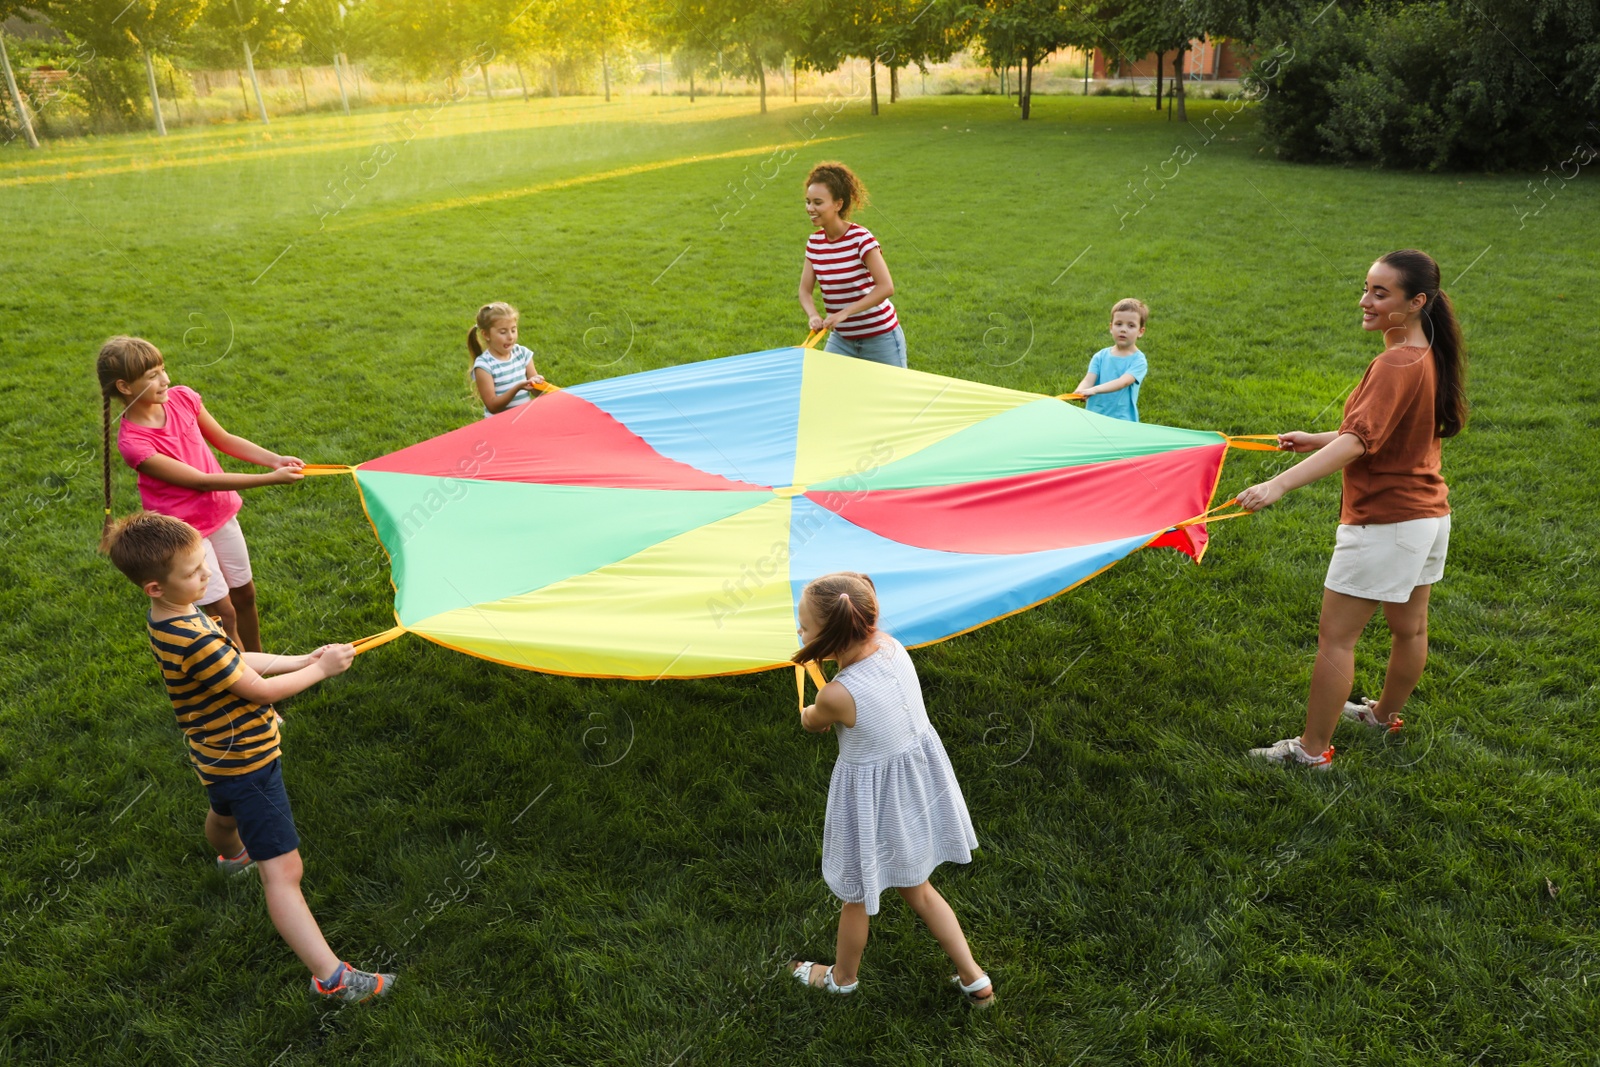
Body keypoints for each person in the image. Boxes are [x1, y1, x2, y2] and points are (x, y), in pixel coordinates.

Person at [101, 511, 395, 1002]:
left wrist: (303, 658)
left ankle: (231, 855)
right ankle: (332, 978)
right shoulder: (191, 636)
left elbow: (236, 662)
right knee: (283, 872)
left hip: (214, 753)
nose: (207, 576)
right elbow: (256, 690)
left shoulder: (174, 615)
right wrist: (321, 671)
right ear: (155, 586)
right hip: (247, 761)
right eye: (195, 572)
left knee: (223, 810)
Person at [1239, 249, 1468, 769]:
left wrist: (1278, 485)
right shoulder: (1426, 350)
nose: (1365, 301)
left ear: (1416, 302)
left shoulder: (1394, 362)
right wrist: (1319, 437)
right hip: (1429, 518)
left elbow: (1360, 444)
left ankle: (1311, 751)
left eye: (1380, 293)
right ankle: (1383, 715)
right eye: (1366, 287)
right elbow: (1387, 432)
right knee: (1410, 628)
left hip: (1385, 523)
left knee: (1336, 639)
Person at [787, 572, 991, 1007]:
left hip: (871, 805)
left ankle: (842, 978)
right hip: (913, 795)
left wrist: (811, 701)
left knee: (856, 895)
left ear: (832, 635)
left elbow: (813, 722)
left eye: (803, 626)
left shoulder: (837, 696)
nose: (799, 631)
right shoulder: (894, 650)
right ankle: (974, 978)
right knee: (918, 888)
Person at [99, 336, 303, 653]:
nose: (165, 380)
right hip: (186, 536)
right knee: (224, 614)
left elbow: (223, 438)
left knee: (245, 595)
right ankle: (244, 682)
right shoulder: (134, 445)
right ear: (125, 387)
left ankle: (261, 663)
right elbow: (201, 481)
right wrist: (270, 478)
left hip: (220, 515)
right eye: (152, 376)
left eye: (162, 369)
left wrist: (273, 459)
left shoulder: (183, 399)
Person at [798, 162, 906, 368]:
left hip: (880, 337)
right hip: (842, 339)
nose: (810, 208)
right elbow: (804, 291)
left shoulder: (861, 239)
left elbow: (886, 287)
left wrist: (845, 312)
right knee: (827, 390)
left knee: (892, 398)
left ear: (838, 204)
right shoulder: (814, 243)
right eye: (808, 202)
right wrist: (813, 315)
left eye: (818, 202)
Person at [1073, 298, 1150, 422]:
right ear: (1111, 327)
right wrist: (1080, 390)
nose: (1123, 329)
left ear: (1140, 332)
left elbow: (1123, 382)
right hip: (1094, 416)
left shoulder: (1139, 360)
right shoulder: (1100, 356)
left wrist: (1094, 390)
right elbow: (1089, 379)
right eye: (1118, 324)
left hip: (1122, 419)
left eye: (1131, 325)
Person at [470, 301, 544, 418]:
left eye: (513, 330)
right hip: (498, 427)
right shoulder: (484, 366)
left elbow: (536, 392)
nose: (510, 337)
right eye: (503, 332)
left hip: (523, 421)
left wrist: (538, 383)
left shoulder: (522, 353)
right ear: (486, 335)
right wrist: (518, 388)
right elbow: (492, 406)